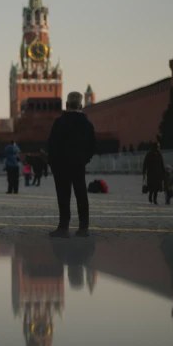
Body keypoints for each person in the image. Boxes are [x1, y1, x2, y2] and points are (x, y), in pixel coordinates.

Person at [47, 92, 96, 238]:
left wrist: (53, 162)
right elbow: (92, 145)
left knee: (63, 195)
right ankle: (83, 227)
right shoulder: (87, 124)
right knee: (81, 194)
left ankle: (63, 227)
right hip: (78, 164)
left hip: (60, 165)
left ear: (66, 105)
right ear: (81, 106)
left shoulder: (59, 122)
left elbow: (51, 145)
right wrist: (84, 159)